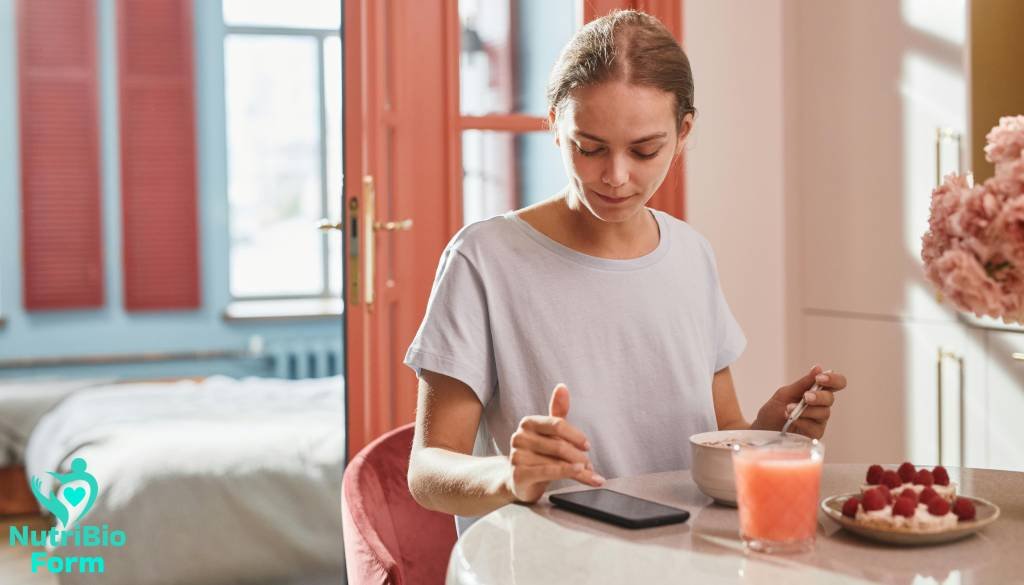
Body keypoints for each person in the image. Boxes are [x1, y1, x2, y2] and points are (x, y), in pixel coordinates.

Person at [404, 10, 847, 534]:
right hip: (549, 564)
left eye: (644, 150)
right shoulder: (484, 259)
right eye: (588, 148)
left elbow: (723, 434)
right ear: (553, 125)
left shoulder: (691, 254)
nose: (615, 177)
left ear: (683, 132)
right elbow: (428, 471)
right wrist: (510, 475)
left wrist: (769, 433)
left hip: (683, 559)